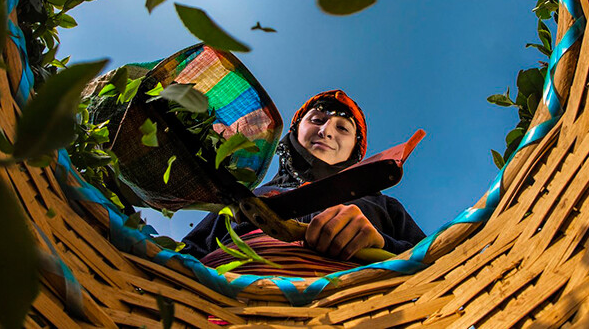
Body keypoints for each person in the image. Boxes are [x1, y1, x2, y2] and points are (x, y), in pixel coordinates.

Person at [181, 90, 426, 276]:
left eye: (342, 128)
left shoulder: (383, 205)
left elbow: (434, 263)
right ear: (295, 132)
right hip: (220, 306)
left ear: (355, 150)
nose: (326, 131)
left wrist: (381, 243)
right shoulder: (248, 197)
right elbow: (186, 256)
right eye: (317, 119)